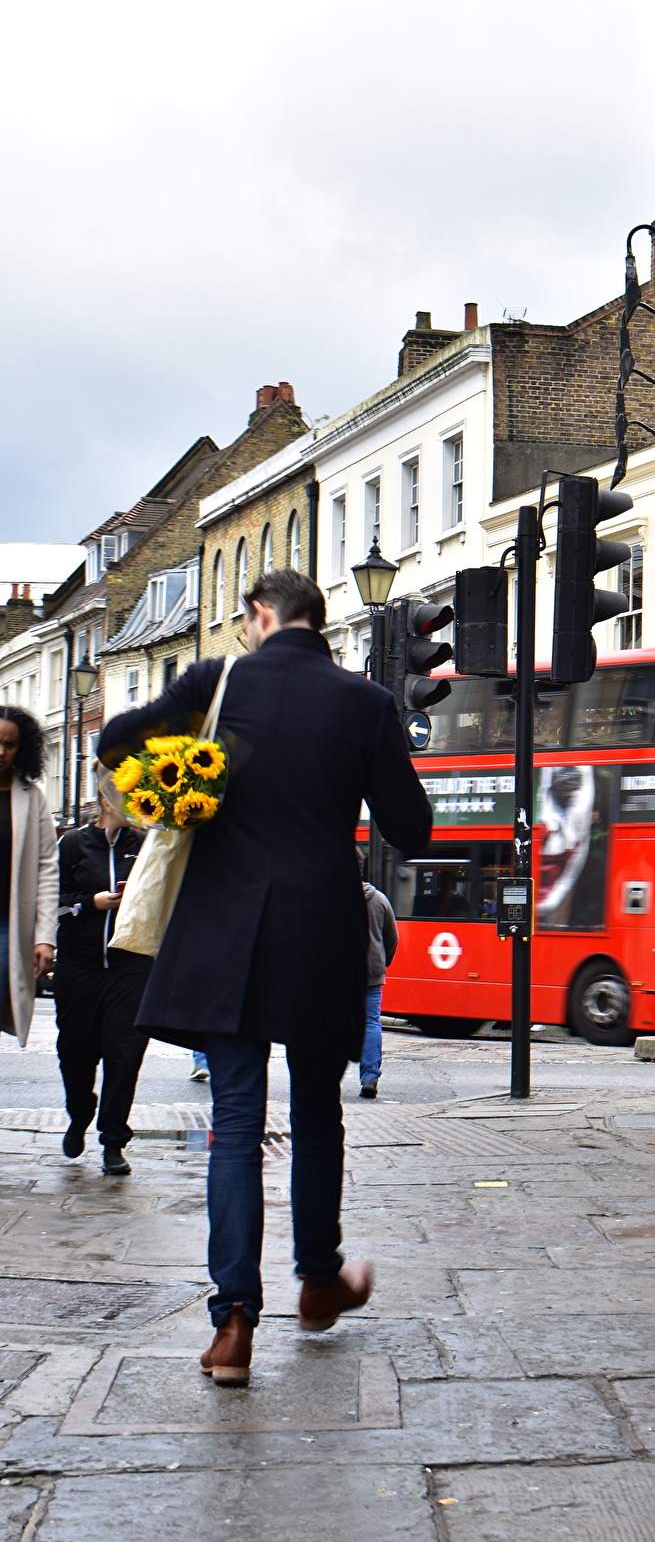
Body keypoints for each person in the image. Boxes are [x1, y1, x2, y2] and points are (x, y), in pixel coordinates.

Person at [99, 569, 432, 1388]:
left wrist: (191, 781)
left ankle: (233, 1324)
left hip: (223, 932)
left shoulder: (220, 683)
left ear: (258, 616)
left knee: (238, 1122)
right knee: (318, 1114)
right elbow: (410, 826)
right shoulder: (364, 701)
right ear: (317, 622)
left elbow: (117, 745)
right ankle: (318, 1279)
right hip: (320, 929)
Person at [53, 785, 152, 1175]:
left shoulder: (143, 844)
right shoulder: (74, 844)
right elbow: (54, 901)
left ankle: (113, 1140)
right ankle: (80, 1113)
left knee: (125, 1052)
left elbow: (161, 895)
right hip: (79, 963)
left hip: (130, 962)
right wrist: (89, 903)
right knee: (75, 1050)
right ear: (108, 802)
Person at [0, 708, 58, 1049]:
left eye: (10, 744)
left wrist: (45, 937)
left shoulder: (32, 798)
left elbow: (48, 869)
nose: (1, 752)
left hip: (8, 927)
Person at [358, 874, 397, 1100]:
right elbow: (392, 937)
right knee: (370, 1022)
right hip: (372, 971)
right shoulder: (379, 899)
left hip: (339, 973)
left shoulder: (333, 896)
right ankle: (370, 1077)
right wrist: (382, 961)